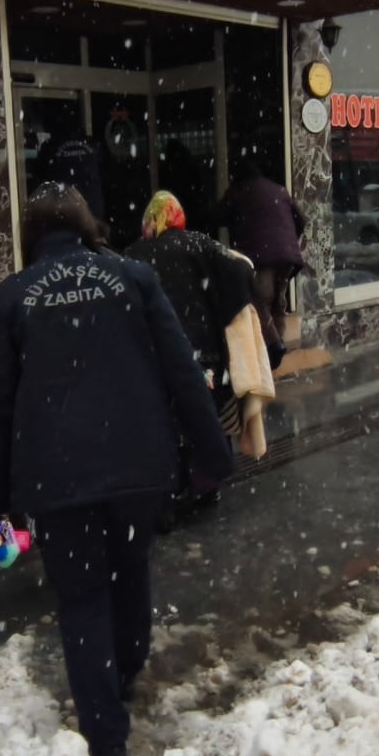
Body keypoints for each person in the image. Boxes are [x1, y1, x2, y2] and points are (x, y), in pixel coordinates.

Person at [0, 184, 232, 756]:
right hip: (138, 465)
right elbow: (181, 369)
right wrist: (213, 451)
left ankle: (107, 745)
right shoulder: (132, 278)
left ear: (31, 235)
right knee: (130, 567)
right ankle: (127, 668)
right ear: (88, 226)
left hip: (55, 478)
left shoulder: (10, 298)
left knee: (82, 600)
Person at [126, 190, 255, 524]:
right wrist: (225, 308)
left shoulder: (132, 255)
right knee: (203, 415)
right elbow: (240, 271)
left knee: (164, 421)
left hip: (155, 355)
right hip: (201, 352)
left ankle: (168, 491)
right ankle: (205, 485)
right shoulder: (199, 244)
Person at [216, 156, 304, 353]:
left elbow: (216, 216)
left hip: (261, 255)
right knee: (278, 301)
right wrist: (288, 241)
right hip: (286, 256)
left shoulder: (238, 191)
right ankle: (279, 344)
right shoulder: (279, 190)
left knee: (260, 301)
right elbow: (301, 220)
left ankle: (274, 346)